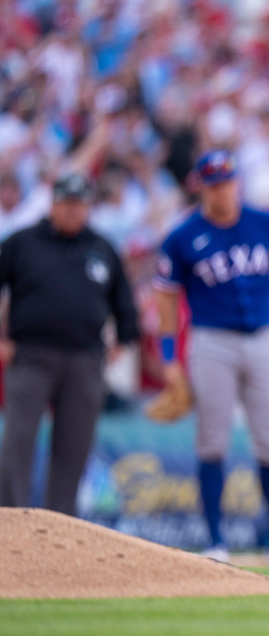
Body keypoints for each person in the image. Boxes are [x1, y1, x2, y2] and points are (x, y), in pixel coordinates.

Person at [153, 150, 269, 568]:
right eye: (216, 183)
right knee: (212, 439)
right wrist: (169, 358)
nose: (224, 190)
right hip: (211, 341)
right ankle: (216, 541)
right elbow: (166, 301)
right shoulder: (183, 236)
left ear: (238, 181)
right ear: (203, 187)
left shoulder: (266, 222)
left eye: (229, 181)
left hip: (261, 339)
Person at [0, 172, 139, 515]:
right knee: (18, 439)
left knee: (73, 446)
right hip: (31, 355)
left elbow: (123, 300)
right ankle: (9, 521)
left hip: (85, 359)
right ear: (54, 204)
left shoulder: (102, 247)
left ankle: (61, 525)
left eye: (80, 205)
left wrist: (124, 337)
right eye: (67, 204)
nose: (74, 211)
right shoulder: (22, 242)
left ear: (88, 207)